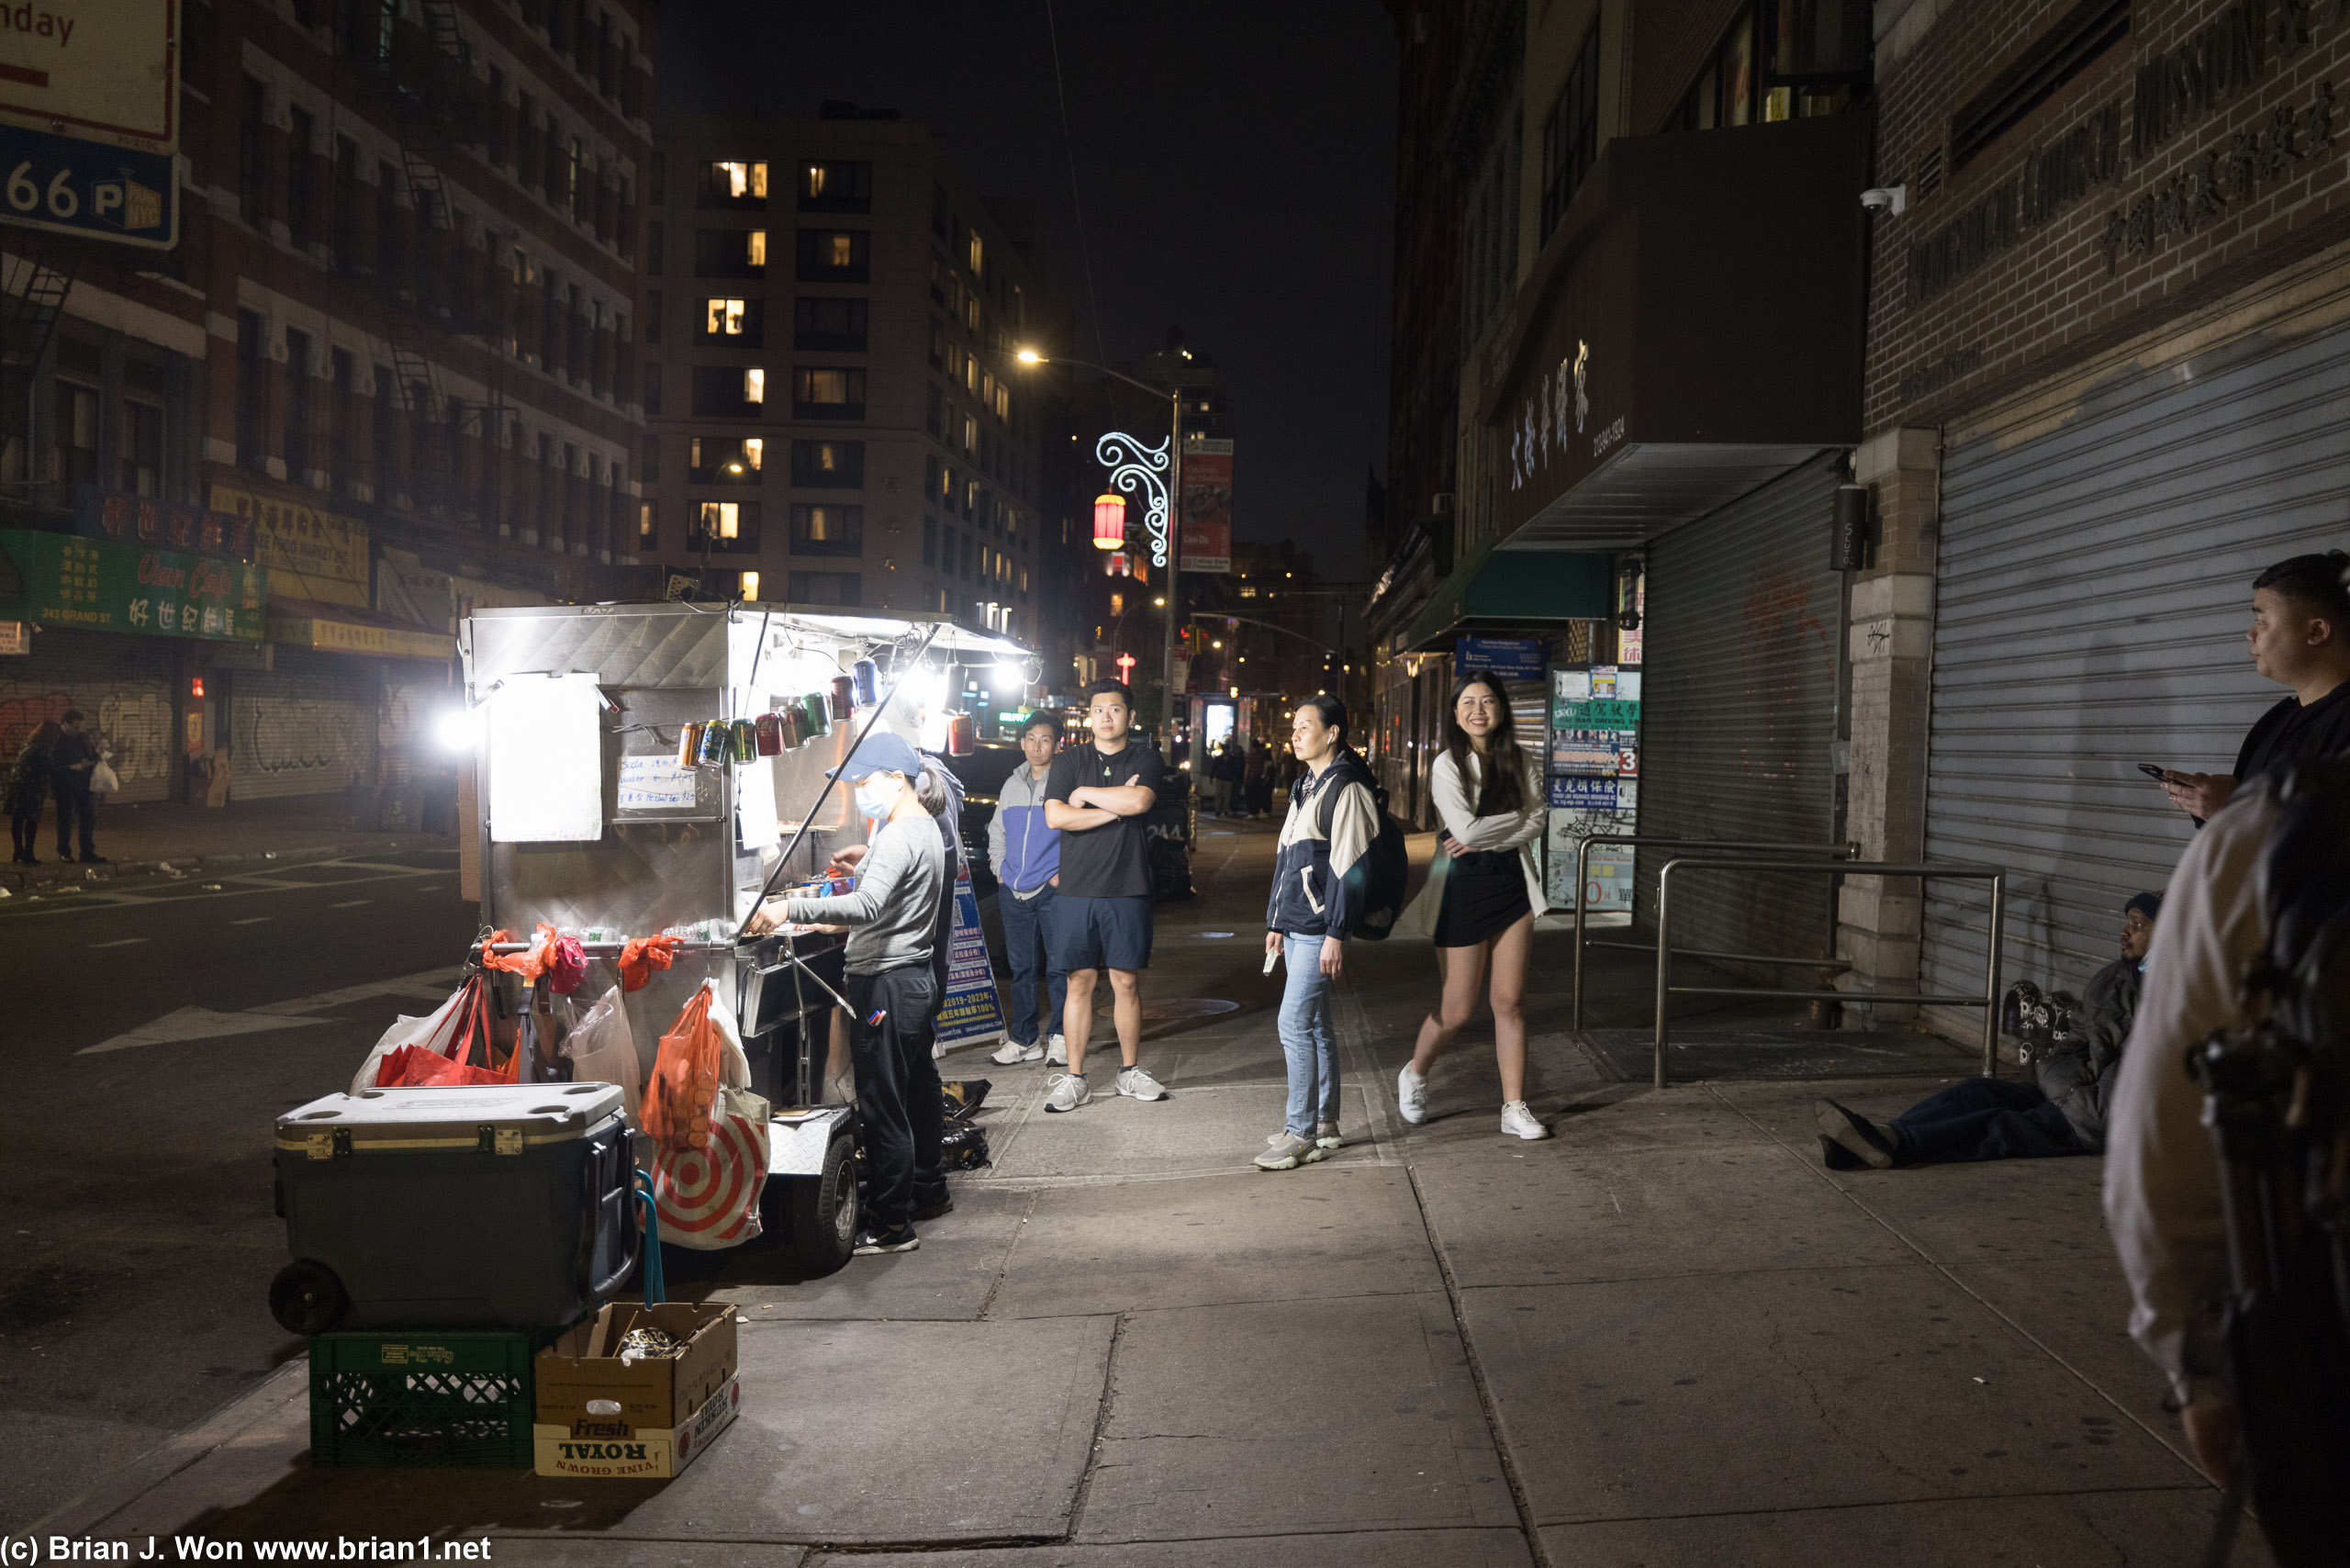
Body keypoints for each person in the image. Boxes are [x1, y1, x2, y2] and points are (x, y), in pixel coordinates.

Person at [745, 731, 948, 1255]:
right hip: (913, 977)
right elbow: (894, 895)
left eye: (865, 780)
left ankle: (892, 1227)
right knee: (899, 1095)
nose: (859, 790)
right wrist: (867, 870)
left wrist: (790, 910)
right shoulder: (923, 827)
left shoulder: (900, 834)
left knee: (883, 1107)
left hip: (888, 982)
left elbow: (867, 908)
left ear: (897, 781)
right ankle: (908, 1202)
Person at [1814, 891, 2162, 1169]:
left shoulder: (2170, 998)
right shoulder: (2116, 978)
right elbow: (2077, 1038)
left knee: (1999, 1127)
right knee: (1975, 1092)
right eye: (2126, 923)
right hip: (2064, 1088)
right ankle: (1884, 1135)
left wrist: (2064, 1087)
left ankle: (1893, 1143)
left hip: (2091, 1119)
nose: (2124, 932)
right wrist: (2052, 1076)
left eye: (2137, 925)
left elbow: (2125, 1078)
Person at [1396, 672, 1550, 1141]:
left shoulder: (1519, 759)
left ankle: (1513, 1106)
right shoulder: (1447, 764)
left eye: (1487, 701)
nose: (1478, 710)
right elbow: (1463, 831)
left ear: (1502, 709)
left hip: (1512, 889)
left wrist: (1499, 828)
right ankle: (1415, 1073)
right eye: (1468, 702)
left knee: (1510, 1002)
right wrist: (1513, 819)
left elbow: (1541, 818)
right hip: (1461, 891)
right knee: (1457, 1009)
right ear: (1456, 712)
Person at [1256, 697, 1380, 1171]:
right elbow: (1288, 858)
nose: (1296, 732)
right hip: (1298, 925)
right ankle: (1325, 1123)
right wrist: (1274, 921)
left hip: (1318, 929)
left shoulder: (1344, 787)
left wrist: (1336, 933)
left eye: (1307, 725)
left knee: (1293, 1023)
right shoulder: (1306, 784)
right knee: (1316, 1025)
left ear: (1333, 734)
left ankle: (1300, 1132)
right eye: (1294, 726)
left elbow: (1349, 868)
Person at [1040, 678, 1169, 1113]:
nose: (1106, 717)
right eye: (1098, 710)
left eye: (1115, 709)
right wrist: (1113, 804)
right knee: (1079, 981)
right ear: (1088, 716)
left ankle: (1128, 1072)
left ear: (1130, 716)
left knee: (1126, 982)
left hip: (1127, 887)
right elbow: (1056, 816)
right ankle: (1076, 1078)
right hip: (1077, 889)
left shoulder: (1147, 757)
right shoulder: (1069, 760)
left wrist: (1086, 798)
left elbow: (1141, 801)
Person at [2162, 550, 2350, 821]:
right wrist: (2212, 805)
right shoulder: (2278, 720)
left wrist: (2237, 811)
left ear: (2317, 631)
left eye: (2261, 622)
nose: (2250, 634)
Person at [989, 711, 1069, 1067]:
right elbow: (997, 832)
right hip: (1014, 890)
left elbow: (1077, 832)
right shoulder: (1010, 784)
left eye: (1045, 739)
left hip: (1052, 889)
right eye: (1031, 739)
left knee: (1058, 965)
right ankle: (1024, 1039)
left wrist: (1063, 873)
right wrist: (1000, 870)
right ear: (1022, 743)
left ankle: (1061, 1036)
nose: (1037, 746)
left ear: (1057, 744)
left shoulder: (1066, 781)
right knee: (1021, 968)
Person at [50, 710, 103, 864]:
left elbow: (93, 755)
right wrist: (73, 767)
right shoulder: (56, 741)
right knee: (65, 820)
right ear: (64, 724)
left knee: (88, 819)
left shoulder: (83, 738)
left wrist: (94, 760)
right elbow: (53, 766)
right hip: (66, 787)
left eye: (80, 727)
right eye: (74, 727)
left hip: (86, 786)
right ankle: (64, 852)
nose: (77, 730)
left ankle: (87, 852)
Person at [7, 719, 61, 864]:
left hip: (18, 788)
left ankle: (18, 851)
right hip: (33, 790)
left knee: (17, 821)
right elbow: (51, 770)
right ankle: (28, 853)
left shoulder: (28, 746)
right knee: (31, 821)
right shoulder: (45, 750)